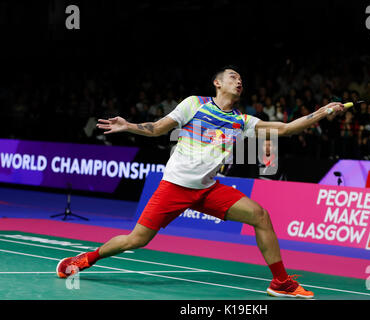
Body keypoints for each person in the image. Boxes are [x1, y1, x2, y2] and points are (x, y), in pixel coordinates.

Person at [56, 66, 344, 298]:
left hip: (208, 189)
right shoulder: (194, 104)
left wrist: (322, 113)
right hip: (174, 187)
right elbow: (158, 128)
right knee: (137, 240)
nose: (239, 81)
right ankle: (87, 259)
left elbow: (285, 129)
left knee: (260, 216)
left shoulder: (241, 121)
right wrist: (129, 126)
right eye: (233, 76)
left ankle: (280, 282)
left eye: (241, 78)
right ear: (217, 83)